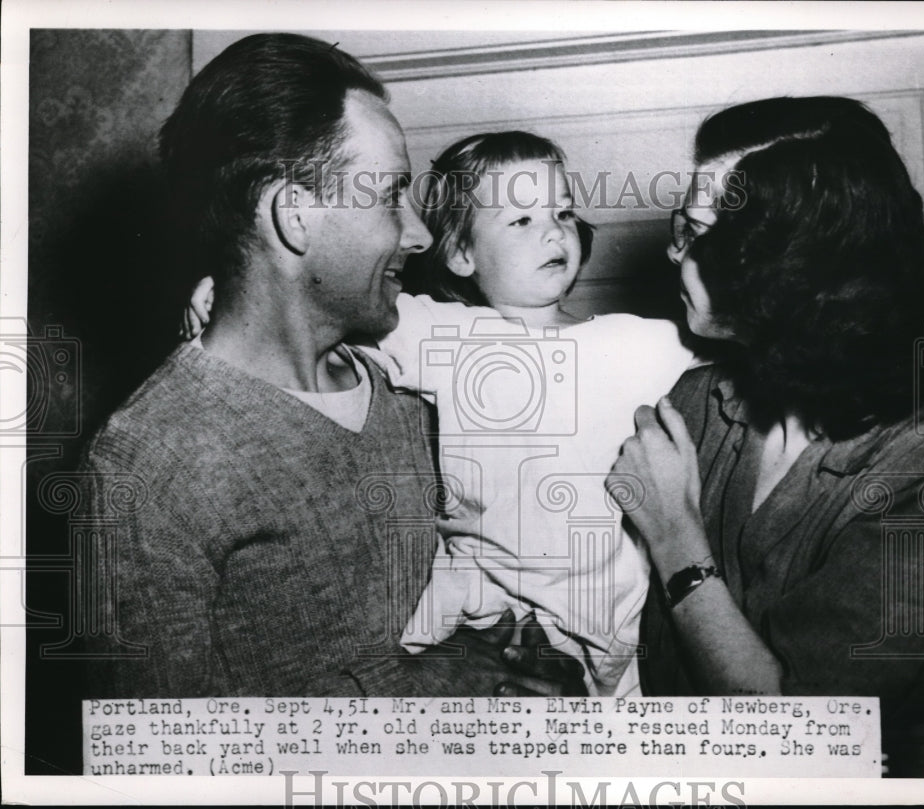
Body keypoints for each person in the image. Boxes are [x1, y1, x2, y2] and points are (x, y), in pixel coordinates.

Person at [78, 33, 579, 698]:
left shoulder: (413, 393)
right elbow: (157, 767)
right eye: (388, 196)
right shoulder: (145, 470)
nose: (420, 233)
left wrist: (519, 665)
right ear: (294, 217)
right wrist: (424, 689)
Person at [186, 131, 695, 695]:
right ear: (461, 254)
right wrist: (226, 292)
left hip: (615, 613)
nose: (554, 231)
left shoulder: (641, 342)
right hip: (480, 601)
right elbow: (312, 300)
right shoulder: (444, 335)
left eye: (564, 211)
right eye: (520, 221)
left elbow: (740, 352)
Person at [609, 96, 924, 775]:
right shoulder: (696, 397)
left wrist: (673, 534)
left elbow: (796, 732)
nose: (670, 251)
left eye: (695, 233)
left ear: (789, 266)